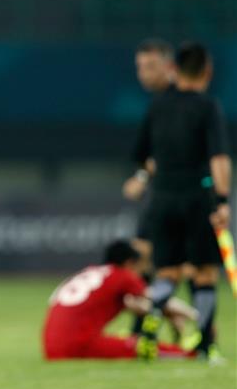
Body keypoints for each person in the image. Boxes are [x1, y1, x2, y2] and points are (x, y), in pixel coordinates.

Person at [134, 42, 231, 362]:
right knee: (204, 274)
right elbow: (219, 158)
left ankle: (148, 333)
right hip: (196, 197)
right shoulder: (207, 106)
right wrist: (222, 200)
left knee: (166, 273)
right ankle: (204, 345)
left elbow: (142, 154)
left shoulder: (157, 106)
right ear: (207, 71)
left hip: (162, 199)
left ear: (175, 69)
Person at [43, 240, 193, 360]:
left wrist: (167, 314)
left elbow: (137, 306)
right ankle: (192, 354)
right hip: (77, 346)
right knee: (143, 347)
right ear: (129, 263)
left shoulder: (90, 273)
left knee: (127, 340)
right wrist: (195, 316)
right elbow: (160, 300)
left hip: (51, 348)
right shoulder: (121, 275)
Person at [121, 39, 175, 335]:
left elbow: (172, 153)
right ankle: (143, 329)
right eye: (140, 67)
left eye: (151, 66)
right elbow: (152, 153)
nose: (144, 73)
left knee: (175, 267)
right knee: (145, 257)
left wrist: (141, 178)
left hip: (180, 195)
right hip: (162, 192)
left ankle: (203, 334)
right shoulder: (158, 104)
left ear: (169, 66)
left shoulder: (178, 102)